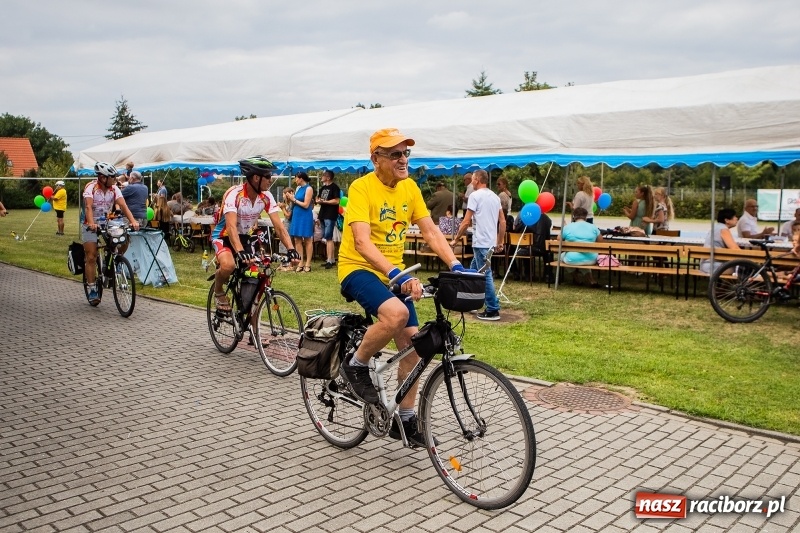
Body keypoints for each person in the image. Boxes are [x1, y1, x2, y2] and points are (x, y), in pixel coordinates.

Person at [337, 128, 472, 448]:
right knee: (395, 313)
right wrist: (397, 274)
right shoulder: (361, 188)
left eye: (405, 153)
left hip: (395, 274)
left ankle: (406, 421)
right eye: (394, 154)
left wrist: (455, 266)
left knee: (414, 347)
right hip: (359, 269)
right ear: (376, 159)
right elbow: (361, 242)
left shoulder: (410, 188)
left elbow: (432, 233)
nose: (402, 159)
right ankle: (354, 366)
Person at [211, 157, 299, 314]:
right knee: (229, 265)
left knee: (255, 280)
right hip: (223, 236)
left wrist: (291, 249)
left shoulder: (266, 196)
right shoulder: (234, 194)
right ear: (256, 178)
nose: (270, 180)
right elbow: (231, 227)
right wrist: (239, 251)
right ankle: (218, 291)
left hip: (244, 237)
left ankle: (252, 331)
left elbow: (279, 226)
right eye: (267, 176)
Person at [82, 162, 141, 304]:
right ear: (103, 178)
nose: (115, 179)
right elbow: (88, 207)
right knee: (91, 256)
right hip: (91, 224)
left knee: (124, 240)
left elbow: (124, 206)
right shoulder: (91, 188)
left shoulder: (114, 189)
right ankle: (92, 288)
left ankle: (116, 260)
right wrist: (91, 224)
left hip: (108, 223)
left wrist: (133, 221)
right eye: (112, 177)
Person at [451, 169, 505, 321]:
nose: (471, 182)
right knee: (474, 271)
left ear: (478, 180)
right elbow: (503, 221)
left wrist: (455, 239)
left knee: (484, 275)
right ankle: (472, 301)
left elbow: (466, 221)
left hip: (481, 241)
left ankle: (493, 309)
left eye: (473, 179)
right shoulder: (495, 197)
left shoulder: (475, 196)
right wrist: (499, 241)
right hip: (489, 242)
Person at [559, 207, 602, 287]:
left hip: (572, 259)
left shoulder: (568, 227)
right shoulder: (593, 227)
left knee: (561, 257)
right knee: (584, 255)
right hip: (592, 259)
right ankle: (591, 280)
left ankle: (577, 279)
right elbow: (601, 240)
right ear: (586, 217)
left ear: (574, 216)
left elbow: (559, 239)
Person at [287, 171, 314, 272]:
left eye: (296, 178)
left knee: (307, 239)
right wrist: (289, 199)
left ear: (301, 178)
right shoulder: (298, 189)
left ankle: (308, 264)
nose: (295, 180)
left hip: (305, 216)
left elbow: (306, 205)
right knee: (297, 239)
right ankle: (300, 262)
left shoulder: (309, 188)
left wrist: (293, 199)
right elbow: (295, 202)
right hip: (296, 215)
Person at [700, 208, 741, 274]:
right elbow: (734, 248)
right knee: (743, 268)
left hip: (706, 264)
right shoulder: (723, 229)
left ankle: (726, 284)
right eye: (734, 216)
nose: (737, 218)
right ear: (727, 220)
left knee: (736, 266)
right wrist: (749, 257)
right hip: (712, 265)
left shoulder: (716, 227)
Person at [315, 170, 341, 269]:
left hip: (330, 215)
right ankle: (331, 259)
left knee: (329, 237)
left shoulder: (335, 188)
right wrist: (318, 201)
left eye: (323, 175)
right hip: (322, 214)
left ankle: (330, 260)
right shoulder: (323, 188)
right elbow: (318, 199)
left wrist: (325, 201)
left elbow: (337, 201)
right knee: (326, 237)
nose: (322, 177)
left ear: (328, 177)